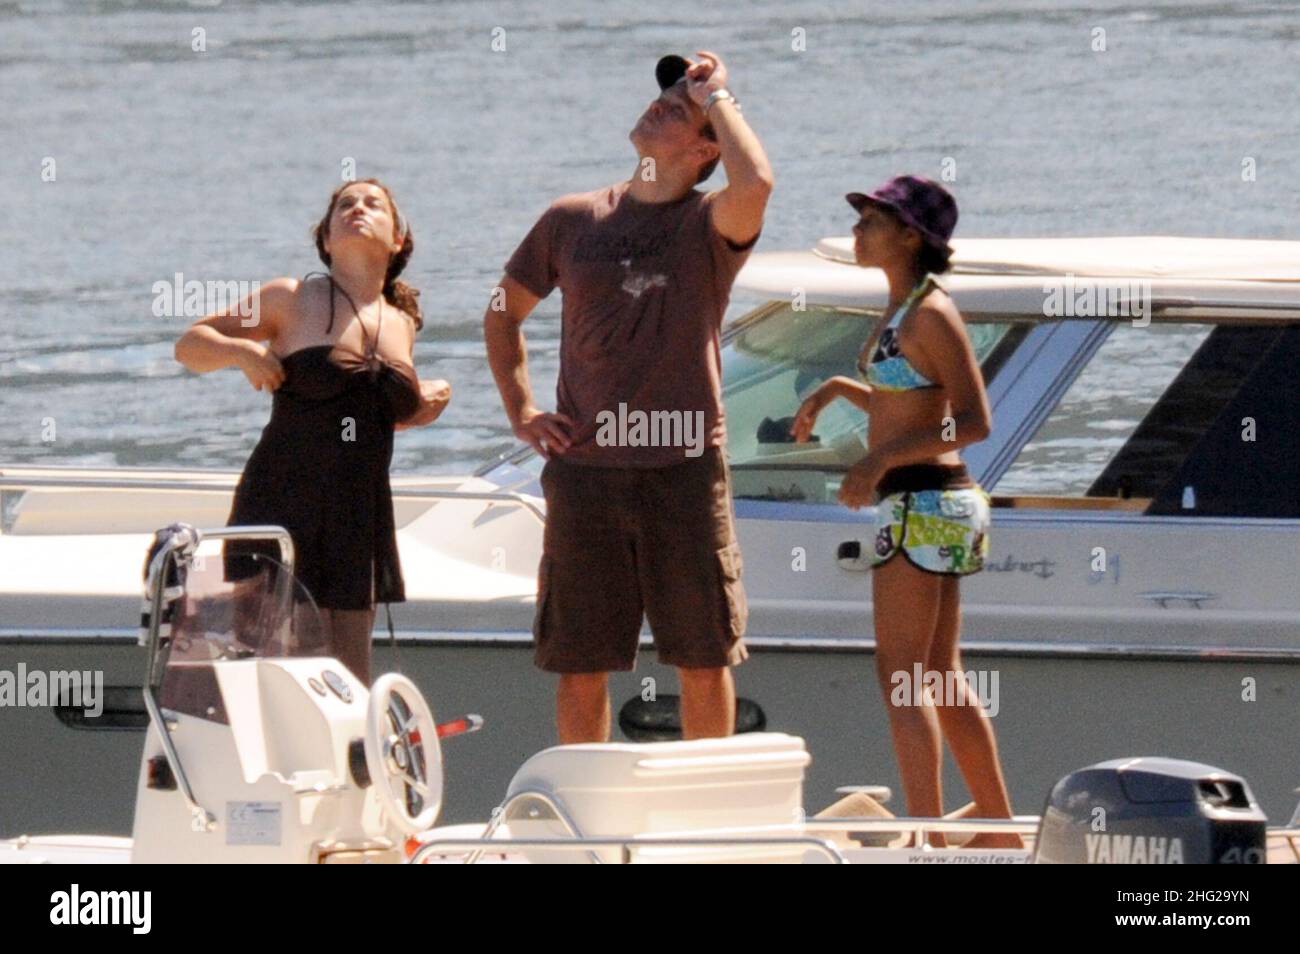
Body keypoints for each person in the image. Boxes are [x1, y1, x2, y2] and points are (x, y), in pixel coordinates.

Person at [485, 51, 773, 743]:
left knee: (703, 659)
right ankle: (586, 826)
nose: (661, 106)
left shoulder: (710, 225)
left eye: (680, 110)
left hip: (683, 471)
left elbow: (757, 179)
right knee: (581, 664)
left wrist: (718, 96)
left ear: (705, 148)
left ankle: (706, 824)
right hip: (585, 474)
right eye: (663, 99)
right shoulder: (571, 219)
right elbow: (503, 309)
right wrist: (520, 409)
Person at [791, 175, 1021, 848]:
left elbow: (973, 423)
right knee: (939, 676)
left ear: (910, 237)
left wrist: (878, 463)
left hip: (928, 499)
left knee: (903, 677)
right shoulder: (903, 309)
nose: (858, 230)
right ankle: (998, 828)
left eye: (872, 221)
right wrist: (840, 389)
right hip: (926, 501)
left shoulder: (930, 314)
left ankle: (927, 838)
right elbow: (905, 404)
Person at [174, 179, 451, 684]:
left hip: (359, 515)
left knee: (349, 681)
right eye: (344, 205)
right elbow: (191, 344)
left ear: (397, 241)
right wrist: (243, 352)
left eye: (373, 204)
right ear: (325, 240)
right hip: (284, 503)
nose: (357, 210)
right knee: (285, 677)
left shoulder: (401, 321)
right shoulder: (291, 298)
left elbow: (354, 415)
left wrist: (418, 407)